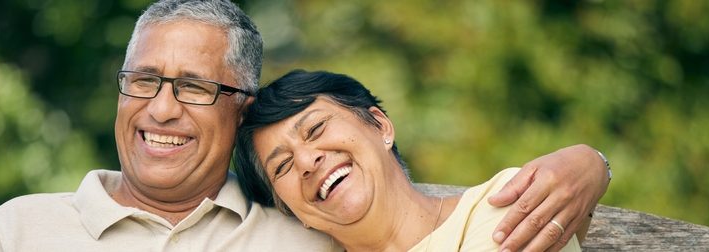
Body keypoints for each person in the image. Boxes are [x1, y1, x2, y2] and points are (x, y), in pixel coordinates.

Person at [0, 0, 611, 251]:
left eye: (193, 87)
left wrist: (589, 163)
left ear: (239, 107)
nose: (161, 109)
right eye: (144, 81)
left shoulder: (300, 236)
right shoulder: (15, 231)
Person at [235, 70, 591, 251]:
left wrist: (591, 161)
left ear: (380, 125)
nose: (308, 161)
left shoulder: (507, 207)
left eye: (315, 129)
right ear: (291, 211)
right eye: (282, 167)